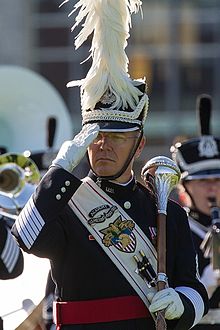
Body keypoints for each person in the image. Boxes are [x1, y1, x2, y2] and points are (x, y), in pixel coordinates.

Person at [12, 0, 209, 329]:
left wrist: (182, 304)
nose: (103, 144)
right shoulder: (65, 203)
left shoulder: (165, 212)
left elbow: (194, 288)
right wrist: (60, 170)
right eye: (95, 137)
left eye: (117, 137)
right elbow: (27, 238)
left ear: (140, 144)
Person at [171, 94, 220, 328]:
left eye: (218, 179)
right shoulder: (174, 229)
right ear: (185, 187)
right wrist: (207, 284)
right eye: (202, 181)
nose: (212, 187)